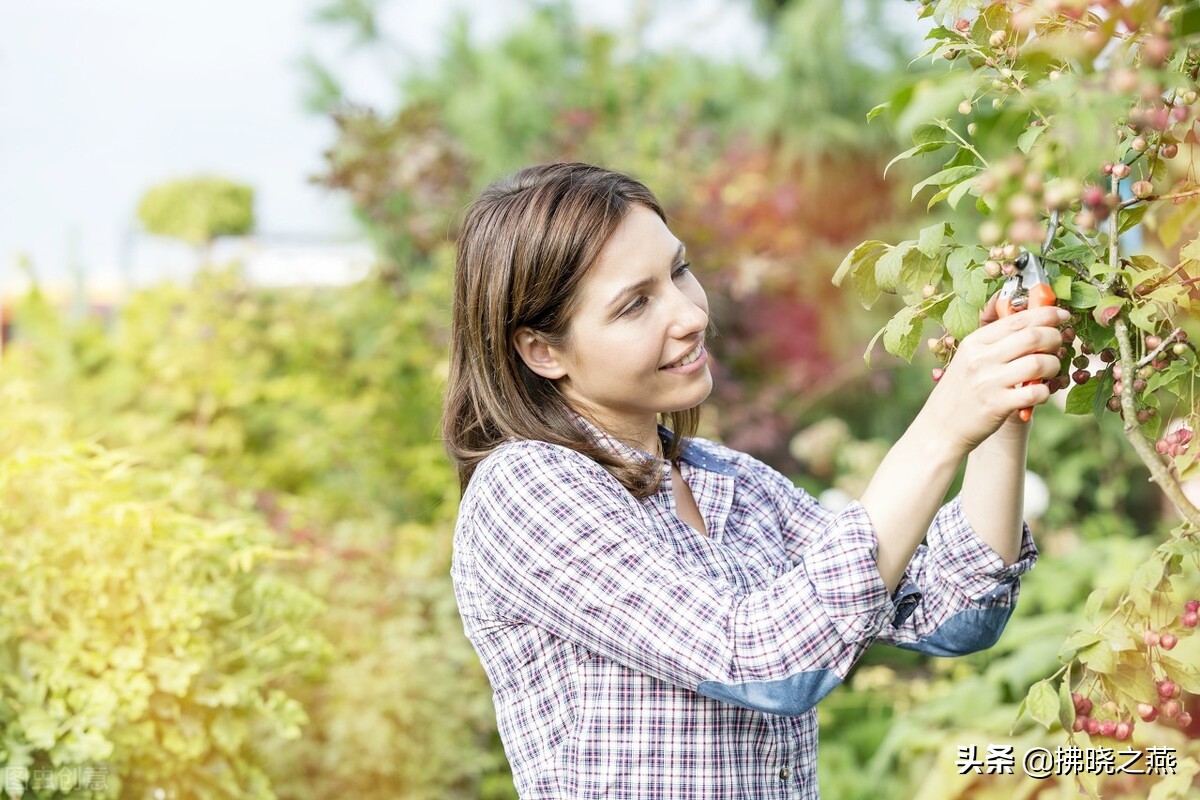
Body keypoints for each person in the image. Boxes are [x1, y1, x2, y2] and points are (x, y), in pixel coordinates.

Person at [442, 162, 1065, 799]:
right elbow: (768, 663)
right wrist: (938, 431)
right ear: (542, 350)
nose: (689, 314)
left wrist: (1000, 412)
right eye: (635, 304)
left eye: (679, 271)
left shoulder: (727, 480)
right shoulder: (525, 490)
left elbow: (953, 614)